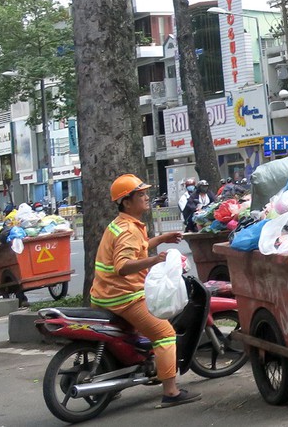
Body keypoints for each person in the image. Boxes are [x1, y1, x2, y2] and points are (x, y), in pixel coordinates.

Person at [90, 174, 200, 408]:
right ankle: (170, 392)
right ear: (126, 202)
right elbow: (122, 266)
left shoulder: (123, 224)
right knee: (165, 333)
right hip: (124, 296)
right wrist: (155, 260)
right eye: (141, 195)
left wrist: (162, 238)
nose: (147, 197)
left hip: (103, 294)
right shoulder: (129, 230)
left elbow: (139, 247)